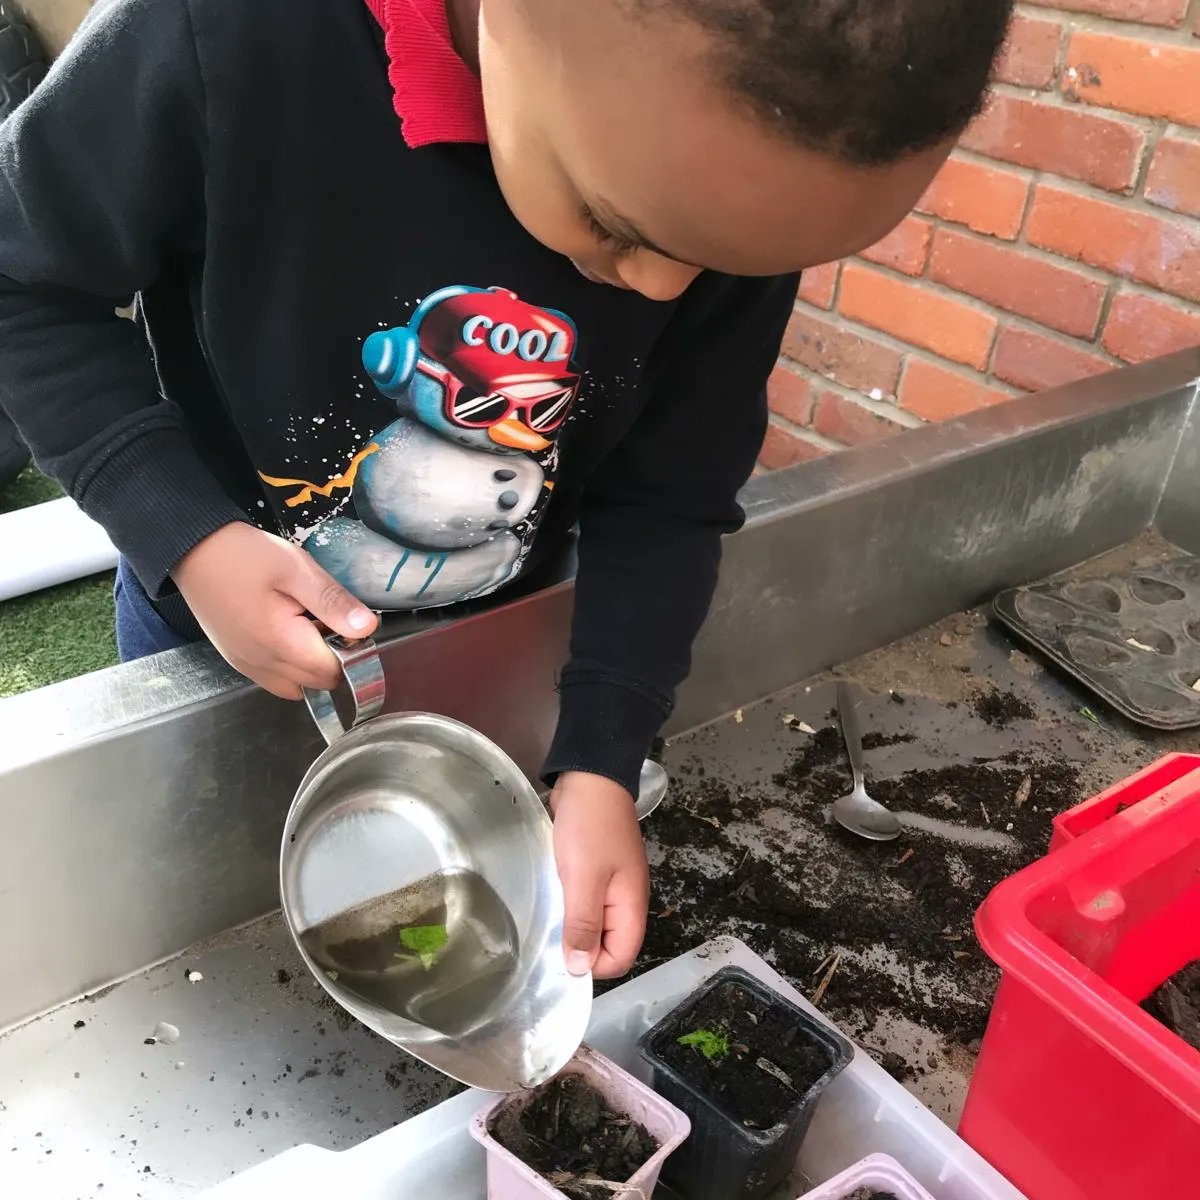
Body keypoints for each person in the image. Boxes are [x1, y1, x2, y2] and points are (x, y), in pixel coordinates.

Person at [0, 0, 1012, 980]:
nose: (662, 293)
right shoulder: (232, 32)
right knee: (204, 941)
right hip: (215, 633)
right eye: (617, 223)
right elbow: (24, 287)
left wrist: (603, 756)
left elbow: (669, 492)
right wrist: (190, 538)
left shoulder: (728, 198)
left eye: (718, 265)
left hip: (490, 664)